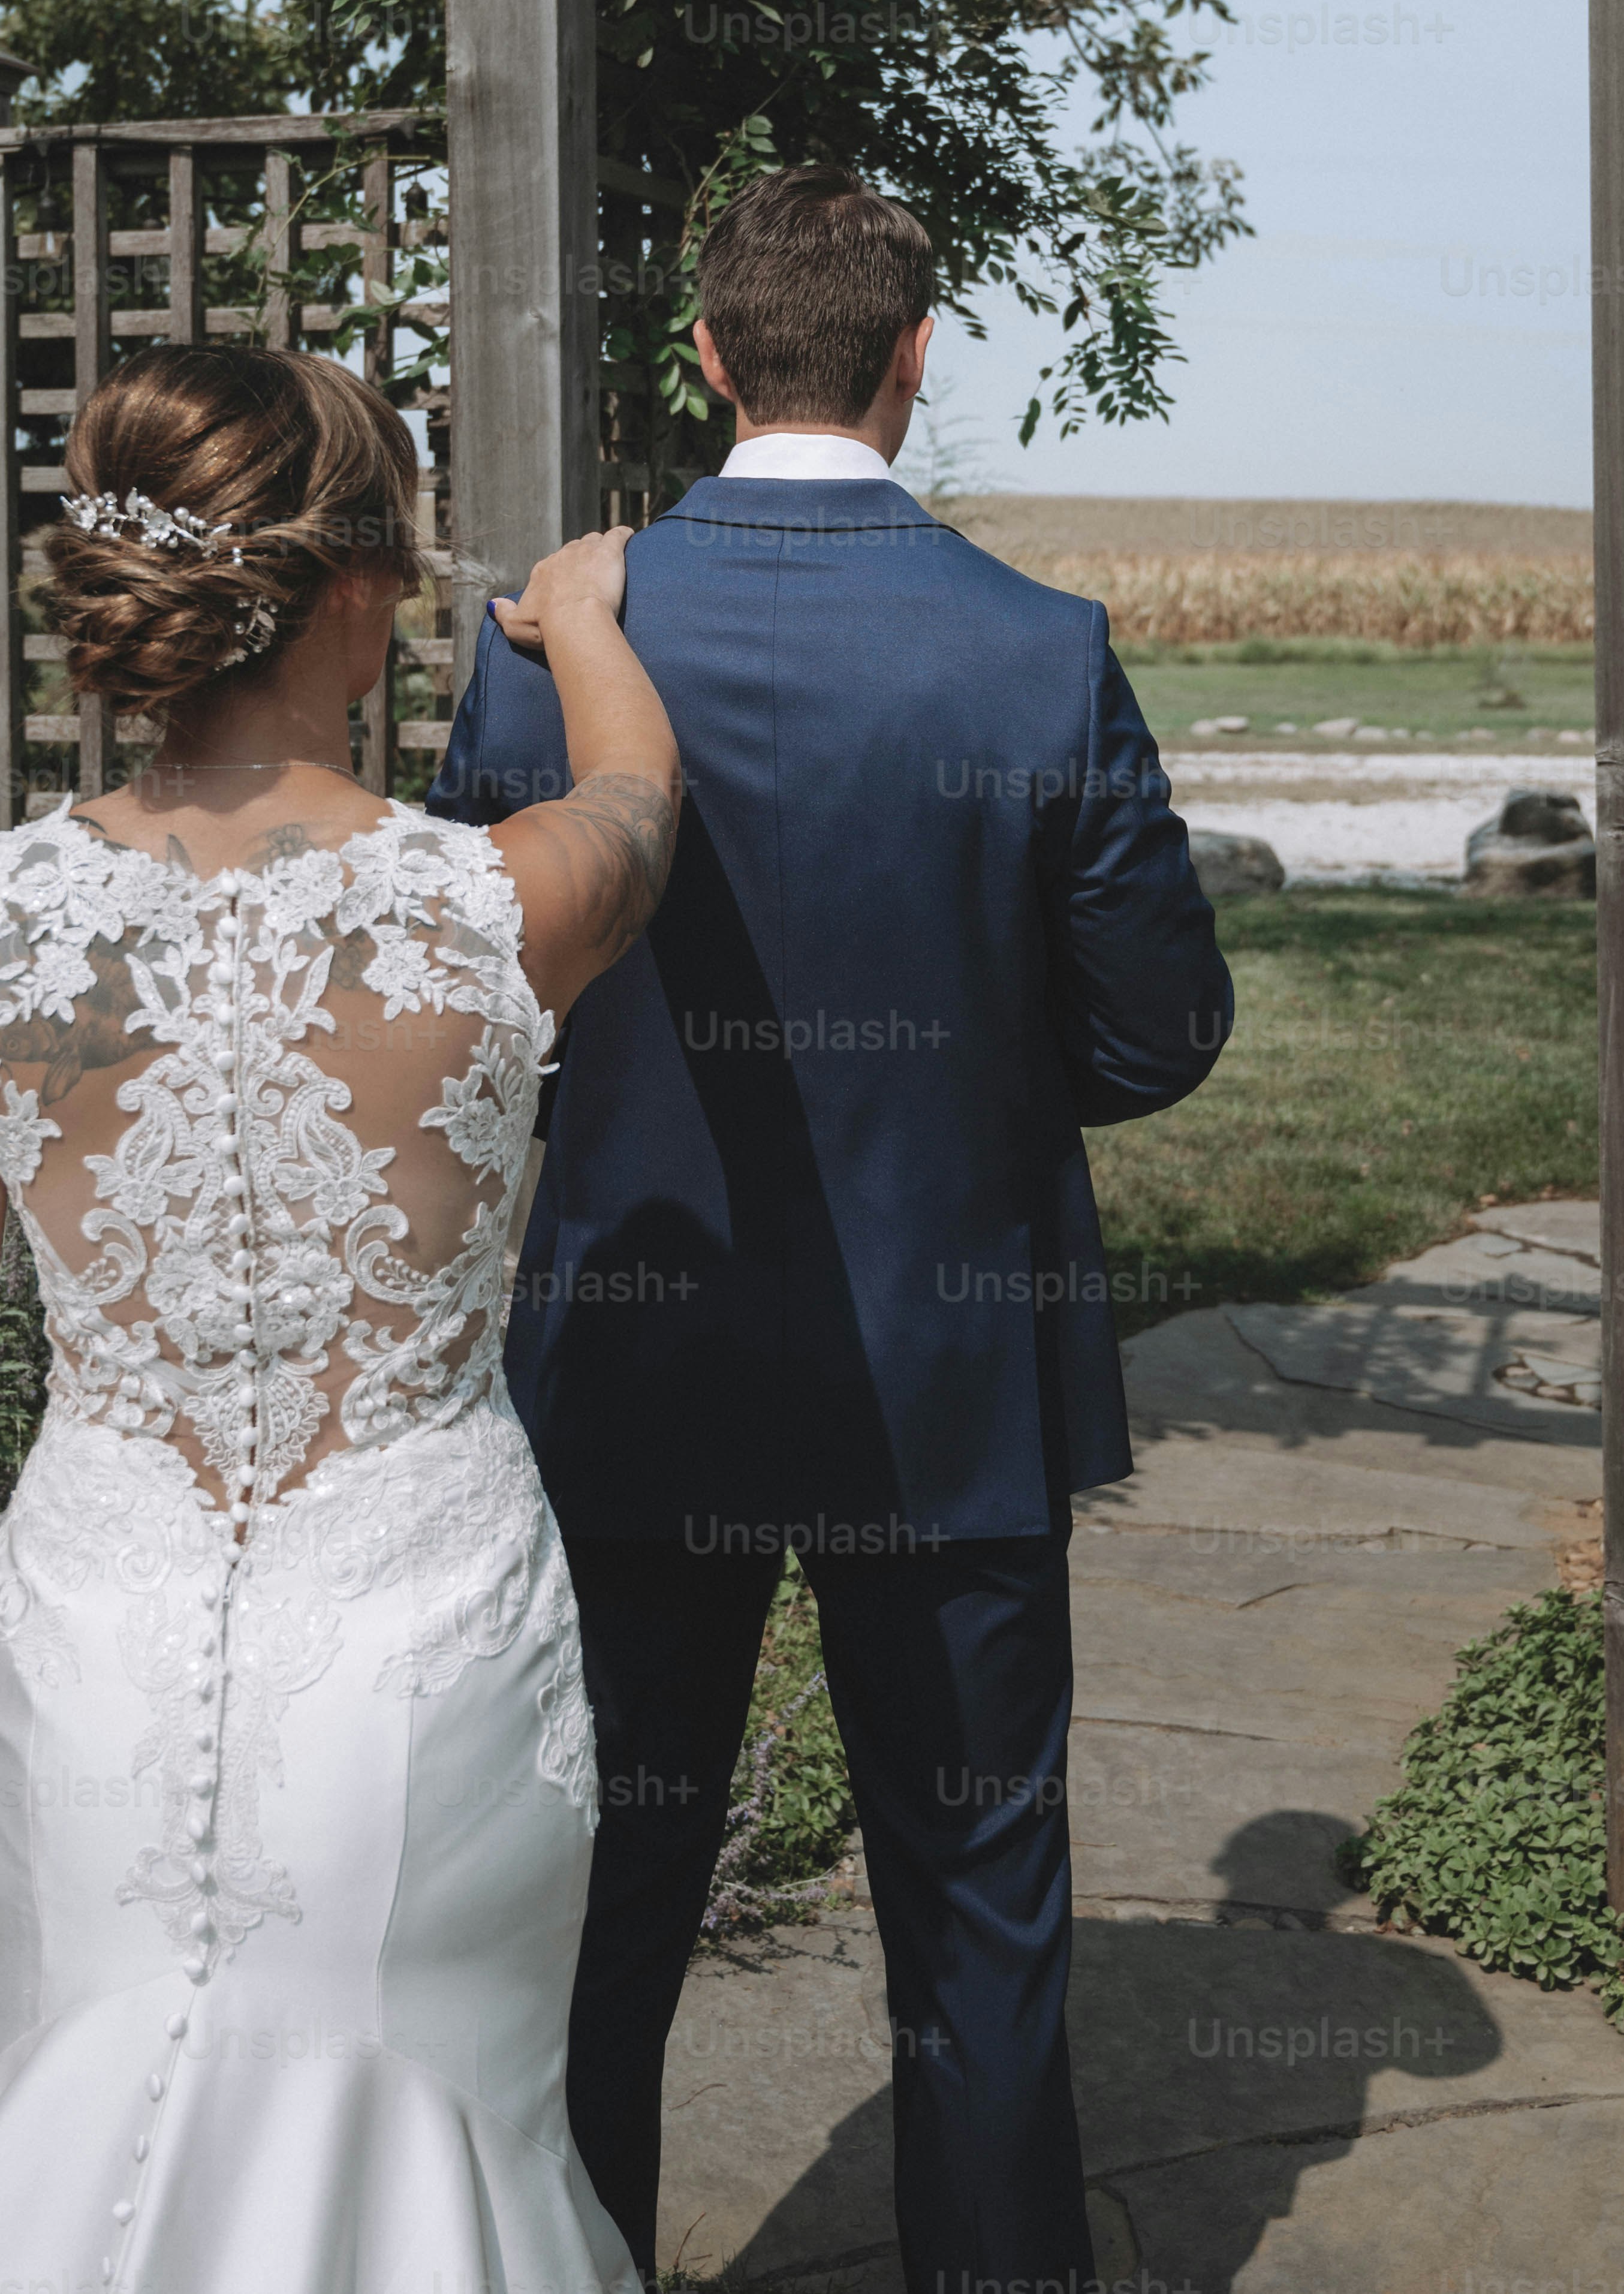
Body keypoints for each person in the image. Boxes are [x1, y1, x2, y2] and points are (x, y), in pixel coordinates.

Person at [432, 165, 1233, 2294]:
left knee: (597, 1910)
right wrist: (967, 1099)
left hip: (630, 1370)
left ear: (705, 357)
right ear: (916, 352)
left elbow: (462, 1017)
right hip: (949, 1387)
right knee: (978, 1907)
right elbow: (1165, 1030)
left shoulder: (540, 653)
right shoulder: (1039, 654)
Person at [0, 341, 680, 2294]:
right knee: (431, 2156)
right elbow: (644, 796)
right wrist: (578, 618)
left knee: (65, 2121)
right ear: (363, 588)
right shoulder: (497, 901)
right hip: (422, 1656)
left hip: (90, 1639)